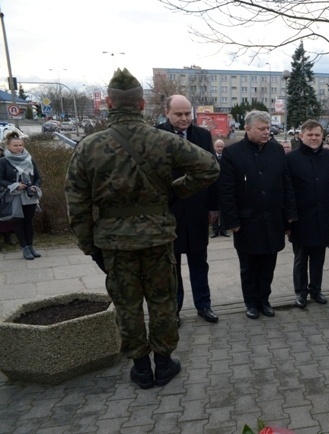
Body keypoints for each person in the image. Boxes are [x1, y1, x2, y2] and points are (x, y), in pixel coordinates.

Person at [64, 68, 219, 389]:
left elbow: (76, 205)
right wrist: (175, 190)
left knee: (127, 304)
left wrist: (89, 246)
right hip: (158, 236)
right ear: (140, 105)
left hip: (114, 242)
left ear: (108, 102)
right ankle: (163, 364)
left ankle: (140, 368)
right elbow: (210, 167)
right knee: (162, 300)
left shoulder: (89, 147)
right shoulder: (162, 140)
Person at [219, 110, 297, 319]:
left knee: (268, 265)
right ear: (248, 129)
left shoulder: (277, 150)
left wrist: (289, 215)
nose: (266, 132)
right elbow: (226, 191)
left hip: (272, 219)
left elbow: (286, 184)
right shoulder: (232, 153)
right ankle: (251, 303)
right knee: (249, 266)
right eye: (261, 129)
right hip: (246, 222)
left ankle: (264, 300)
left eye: (268, 128)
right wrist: (231, 220)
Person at [156, 95, 220, 326]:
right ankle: (174, 309)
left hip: (196, 211)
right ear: (167, 113)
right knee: (172, 265)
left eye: (187, 114)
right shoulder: (156, 136)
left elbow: (213, 173)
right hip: (168, 212)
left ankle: (204, 305)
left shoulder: (202, 136)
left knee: (199, 262)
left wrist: (213, 206)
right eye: (179, 114)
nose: (184, 119)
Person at [286, 120, 329, 308]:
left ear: (322, 136)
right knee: (301, 259)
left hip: (323, 217)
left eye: (317, 134)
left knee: (319, 258)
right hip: (301, 219)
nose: (314, 138)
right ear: (301, 136)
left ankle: (316, 290)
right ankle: (301, 292)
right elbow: (288, 191)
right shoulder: (291, 159)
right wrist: (289, 217)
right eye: (310, 135)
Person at [0, 132, 42, 260]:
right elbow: (0, 179)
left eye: (20, 145)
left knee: (28, 222)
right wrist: (14, 185)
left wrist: (35, 186)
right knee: (18, 222)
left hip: (29, 197)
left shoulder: (29, 159)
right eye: (15, 145)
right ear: (8, 146)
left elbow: (38, 178)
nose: (19, 147)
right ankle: (24, 248)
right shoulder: (3, 161)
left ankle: (30, 246)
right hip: (14, 196)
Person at [210, 139, 230, 238]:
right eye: (218, 146)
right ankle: (215, 230)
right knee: (214, 208)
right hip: (213, 187)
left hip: (224, 187)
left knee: (223, 209)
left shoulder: (227, 157)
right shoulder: (211, 157)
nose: (220, 148)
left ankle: (223, 229)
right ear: (214, 147)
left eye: (222, 147)